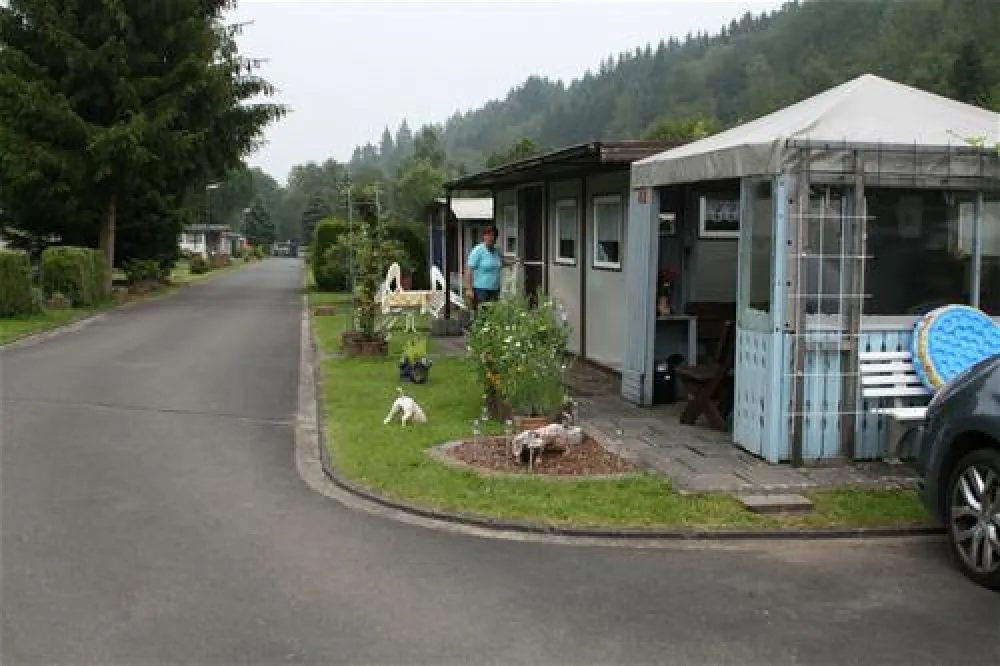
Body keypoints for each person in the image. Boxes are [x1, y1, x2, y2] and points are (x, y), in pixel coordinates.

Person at [464, 224, 506, 311]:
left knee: (492, 315)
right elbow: (469, 269)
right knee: (481, 315)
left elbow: (502, 263)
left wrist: (516, 261)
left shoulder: (497, 251)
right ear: (484, 236)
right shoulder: (478, 250)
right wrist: (469, 289)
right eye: (488, 235)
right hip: (480, 290)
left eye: (493, 236)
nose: (490, 238)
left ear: (496, 238)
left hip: (495, 289)